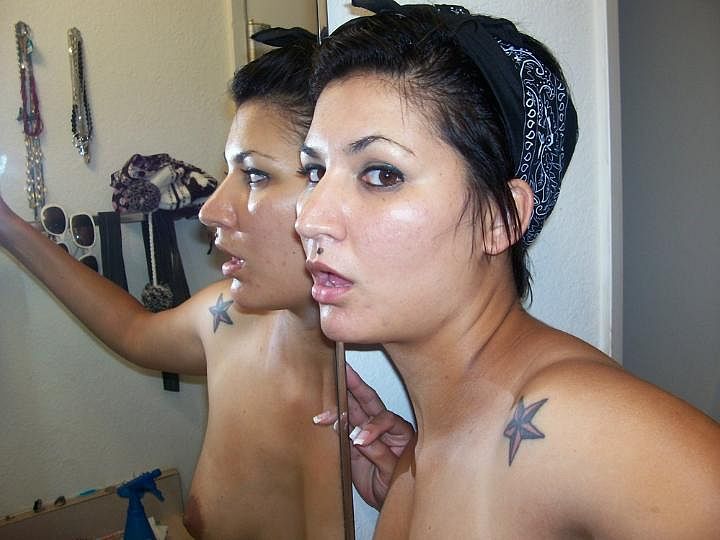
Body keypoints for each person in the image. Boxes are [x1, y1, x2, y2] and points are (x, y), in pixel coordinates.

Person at [295, 1, 720, 538]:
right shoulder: (421, 456)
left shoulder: (583, 427)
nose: (309, 218)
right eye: (315, 171)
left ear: (501, 218)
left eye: (381, 174)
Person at [1, 30, 350, 539]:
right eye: (228, 173)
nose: (211, 210)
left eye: (255, 175)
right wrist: (10, 227)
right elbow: (133, 331)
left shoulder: (386, 425)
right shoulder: (229, 320)